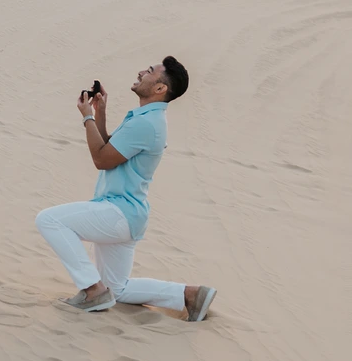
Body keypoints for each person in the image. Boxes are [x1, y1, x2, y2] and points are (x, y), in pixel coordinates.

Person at [33, 56, 216, 321]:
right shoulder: (146, 118)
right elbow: (110, 149)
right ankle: (190, 295)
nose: (142, 71)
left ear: (160, 88)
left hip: (118, 211)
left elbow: (101, 159)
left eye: (151, 71)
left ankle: (91, 290)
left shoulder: (146, 123)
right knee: (118, 289)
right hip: (127, 214)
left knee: (49, 220)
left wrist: (87, 118)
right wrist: (99, 114)